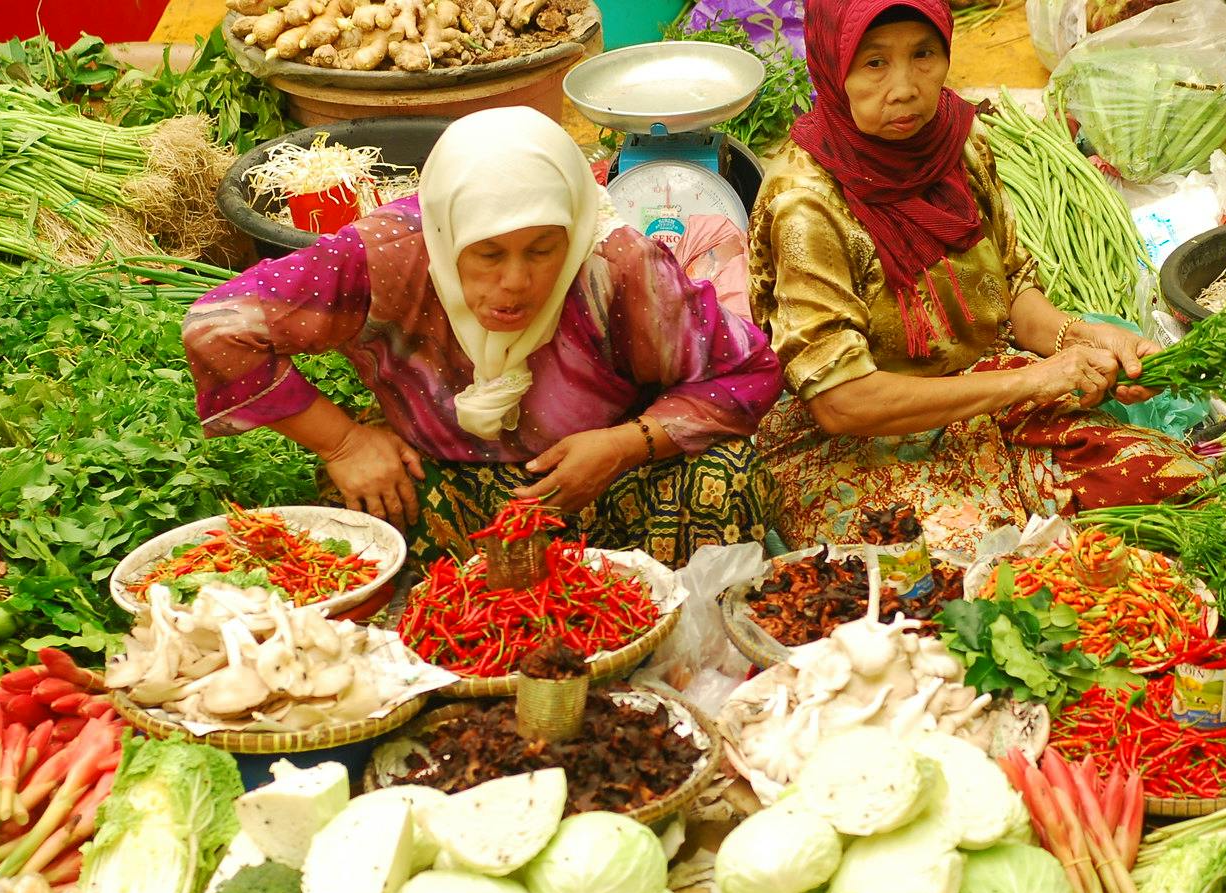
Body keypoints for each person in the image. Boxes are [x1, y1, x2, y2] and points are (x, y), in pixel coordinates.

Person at [185, 106, 783, 568]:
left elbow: (748, 369)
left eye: (542, 250)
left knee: (724, 477)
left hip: (600, 480)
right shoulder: (389, 255)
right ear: (447, 235)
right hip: (441, 480)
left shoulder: (613, 264)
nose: (515, 282)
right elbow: (217, 326)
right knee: (354, 517)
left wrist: (626, 445)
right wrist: (344, 444)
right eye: (488, 254)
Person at [746, 0, 1213, 551]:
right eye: (874, 63)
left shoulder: (956, 139)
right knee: (958, 569)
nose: (905, 88)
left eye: (924, 54)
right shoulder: (806, 203)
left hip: (988, 394)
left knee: (1170, 485)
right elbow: (840, 402)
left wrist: (1082, 337)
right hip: (863, 438)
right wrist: (1033, 381)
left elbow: (1011, 289)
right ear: (832, 64)